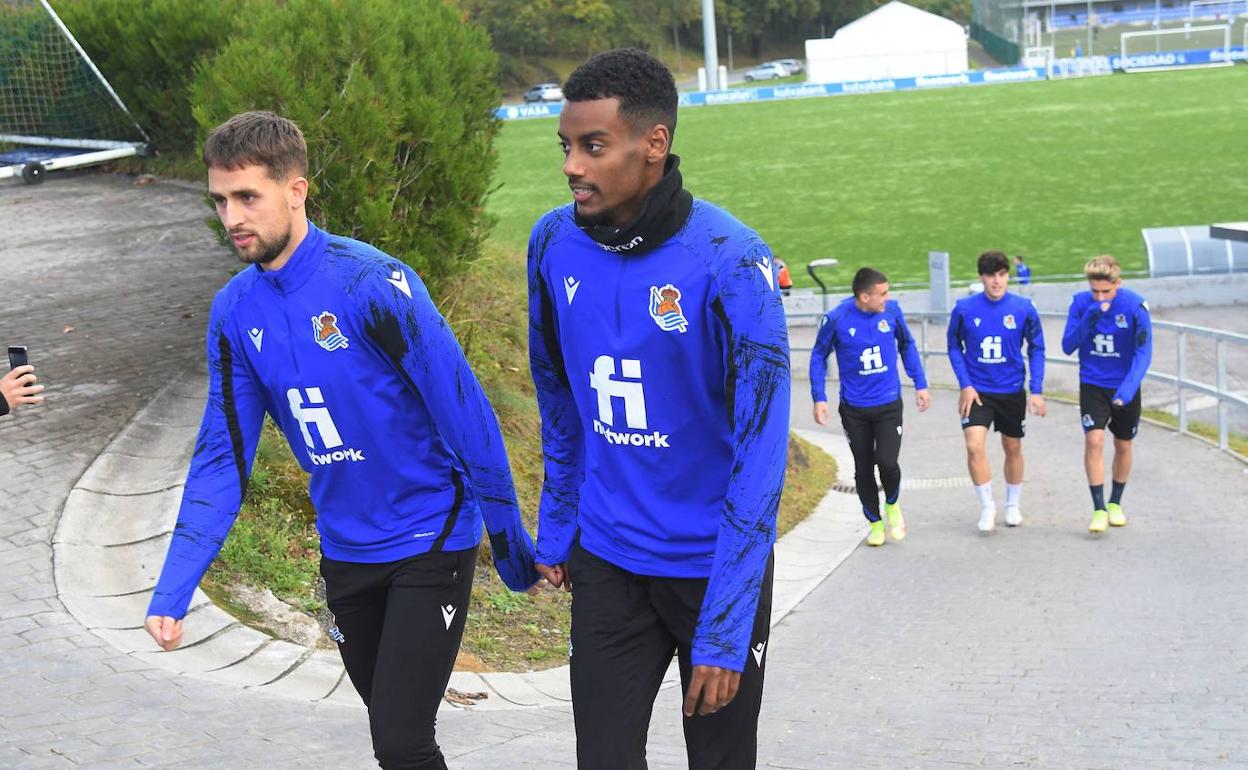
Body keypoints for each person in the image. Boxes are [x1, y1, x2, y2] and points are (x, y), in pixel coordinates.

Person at [144, 111, 538, 770]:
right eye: (220, 200)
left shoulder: (371, 284)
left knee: (402, 739)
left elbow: (466, 415)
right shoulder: (235, 313)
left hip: (429, 538)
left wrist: (511, 542)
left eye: (248, 197)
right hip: (347, 553)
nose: (231, 215)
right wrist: (173, 587)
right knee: (393, 736)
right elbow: (222, 456)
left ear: (296, 190)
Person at [526, 49, 789, 769]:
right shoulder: (552, 242)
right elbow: (557, 395)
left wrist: (727, 630)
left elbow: (763, 459)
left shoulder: (733, 263)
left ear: (654, 145)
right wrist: (558, 525)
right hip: (609, 559)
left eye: (593, 146)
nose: (572, 166)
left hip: (711, 569)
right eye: (567, 146)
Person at [810, 267, 931, 547]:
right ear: (864, 297)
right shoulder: (837, 319)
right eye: (882, 294)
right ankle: (875, 523)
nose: (887, 298)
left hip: (888, 403)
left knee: (887, 462)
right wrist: (820, 397)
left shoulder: (892, 312)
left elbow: (907, 346)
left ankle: (892, 504)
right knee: (863, 467)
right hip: (855, 408)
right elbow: (818, 355)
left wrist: (920, 383)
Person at [947, 251, 1046, 533]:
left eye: (1002, 275)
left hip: (1011, 389)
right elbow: (954, 346)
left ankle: (1012, 504)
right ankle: (987, 506)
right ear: (982, 277)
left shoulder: (1024, 308)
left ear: (1007, 276)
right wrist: (965, 383)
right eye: (991, 275)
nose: (997, 281)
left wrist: (1036, 390)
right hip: (977, 391)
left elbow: (1037, 348)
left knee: (1012, 446)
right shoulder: (964, 308)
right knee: (973, 445)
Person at [1061, 254, 1151, 533]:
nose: (1100, 297)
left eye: (1106, 291)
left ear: (1118, 283)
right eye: (1095, 291)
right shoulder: (1080, 303)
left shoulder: (1135, 306)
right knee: (1094, 441)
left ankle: (1115, 502)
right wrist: (1089, 318)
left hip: (1125, 385)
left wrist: (1128, 388)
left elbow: (1144, 352)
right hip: (1093, 383)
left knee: (1123, 444)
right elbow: (1067, 345)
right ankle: (1098, 508)